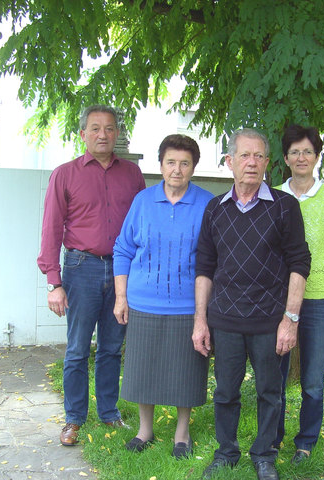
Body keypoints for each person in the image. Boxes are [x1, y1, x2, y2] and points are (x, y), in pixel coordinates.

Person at [192, 128, 311, 480]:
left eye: (259, 156)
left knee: (269, 392)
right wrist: (201, 320)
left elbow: (299, 264)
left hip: (269, 320)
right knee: (226, 391)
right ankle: (226, 451)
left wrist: (290, 320)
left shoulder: (284, 207)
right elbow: (204, 267)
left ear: (268, 163)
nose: (252, 162)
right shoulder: (215, 209)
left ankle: (264, 455)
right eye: (244, 155)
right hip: (225, 320)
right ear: (230, 162)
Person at [37, 105, 146, 446]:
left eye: (109, 129)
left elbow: (141, 227)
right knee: (77, 349)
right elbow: (51, 229)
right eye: (95, 128)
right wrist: (54, 282)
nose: (103, 135)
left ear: (117, 134)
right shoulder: (65, 174)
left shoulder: (132, 175)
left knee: (113, 347)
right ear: (82, 134)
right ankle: (74, 418)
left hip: (121, 271)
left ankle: (109, 413)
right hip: (80, 268)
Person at [113, 134, 214, 459]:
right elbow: (123, 249)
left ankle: (182, 433)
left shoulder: (206, 204)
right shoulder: (143, 201)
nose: (177, 169)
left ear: (193, 167)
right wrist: (120, 297)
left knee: (186, 371)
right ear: (161, 165)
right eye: (171, 162)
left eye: (185, 163)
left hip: (189, 305)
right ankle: (146, 429)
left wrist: (205, 310)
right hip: (144, 302)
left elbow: (213, 258)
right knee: (144, 370)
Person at [274, 124, 324, 465]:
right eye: (294, 152)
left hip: (319, 300)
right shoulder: (273, 195)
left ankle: (305, 442)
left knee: (313, 381)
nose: (301, 157)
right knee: (273, 377)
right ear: (286, 158)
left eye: (307, 151)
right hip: (279, 298)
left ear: (317, 156)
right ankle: (271, 439)